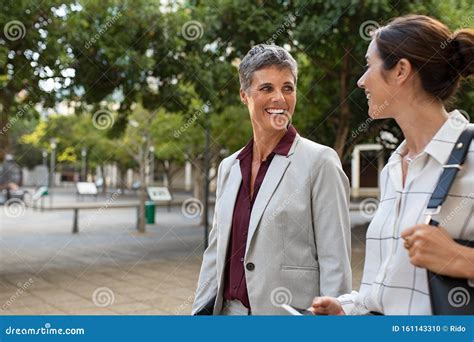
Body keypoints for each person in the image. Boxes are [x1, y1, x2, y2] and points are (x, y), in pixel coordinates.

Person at [311, 15, 474, 315]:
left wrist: (459, 258)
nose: (361, 81)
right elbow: (385, 290)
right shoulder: (393, 169)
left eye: (368, 65)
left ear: (400, 70)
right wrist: (347, 307)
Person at [192, 44, 352, 315]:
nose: (280, 98)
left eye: (287, 88)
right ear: (244, 95)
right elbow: (215, 253)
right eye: (267, 88)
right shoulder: (229, 167)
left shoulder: (320, 162)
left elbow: (335, 262)